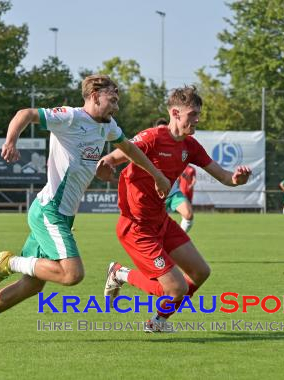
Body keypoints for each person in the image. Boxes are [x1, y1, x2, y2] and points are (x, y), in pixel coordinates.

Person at [0, 74, 171, 345]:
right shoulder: (70, 117)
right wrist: (11, 140)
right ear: (94, 96)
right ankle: (10, 262)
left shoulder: (108, 125)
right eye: (112, 99)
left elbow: (129, 149)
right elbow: (26, 113)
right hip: (50, 211)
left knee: (33, 284)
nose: (116, 106)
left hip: (62, 215)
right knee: (72, 274)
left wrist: (157, 176)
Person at [97, 86, 252, 332]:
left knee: (200, 272)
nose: (197, 119)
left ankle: (157, 322)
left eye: (199, 114)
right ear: (175, 113)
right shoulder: (152, 137)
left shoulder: (191, 146)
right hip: (137, 228)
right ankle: (119, 273)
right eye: (192, 114)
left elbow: (224, 176)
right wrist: (105, 165)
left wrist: (237, 179)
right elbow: (115, 157)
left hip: (162, 221)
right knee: (176, 288)